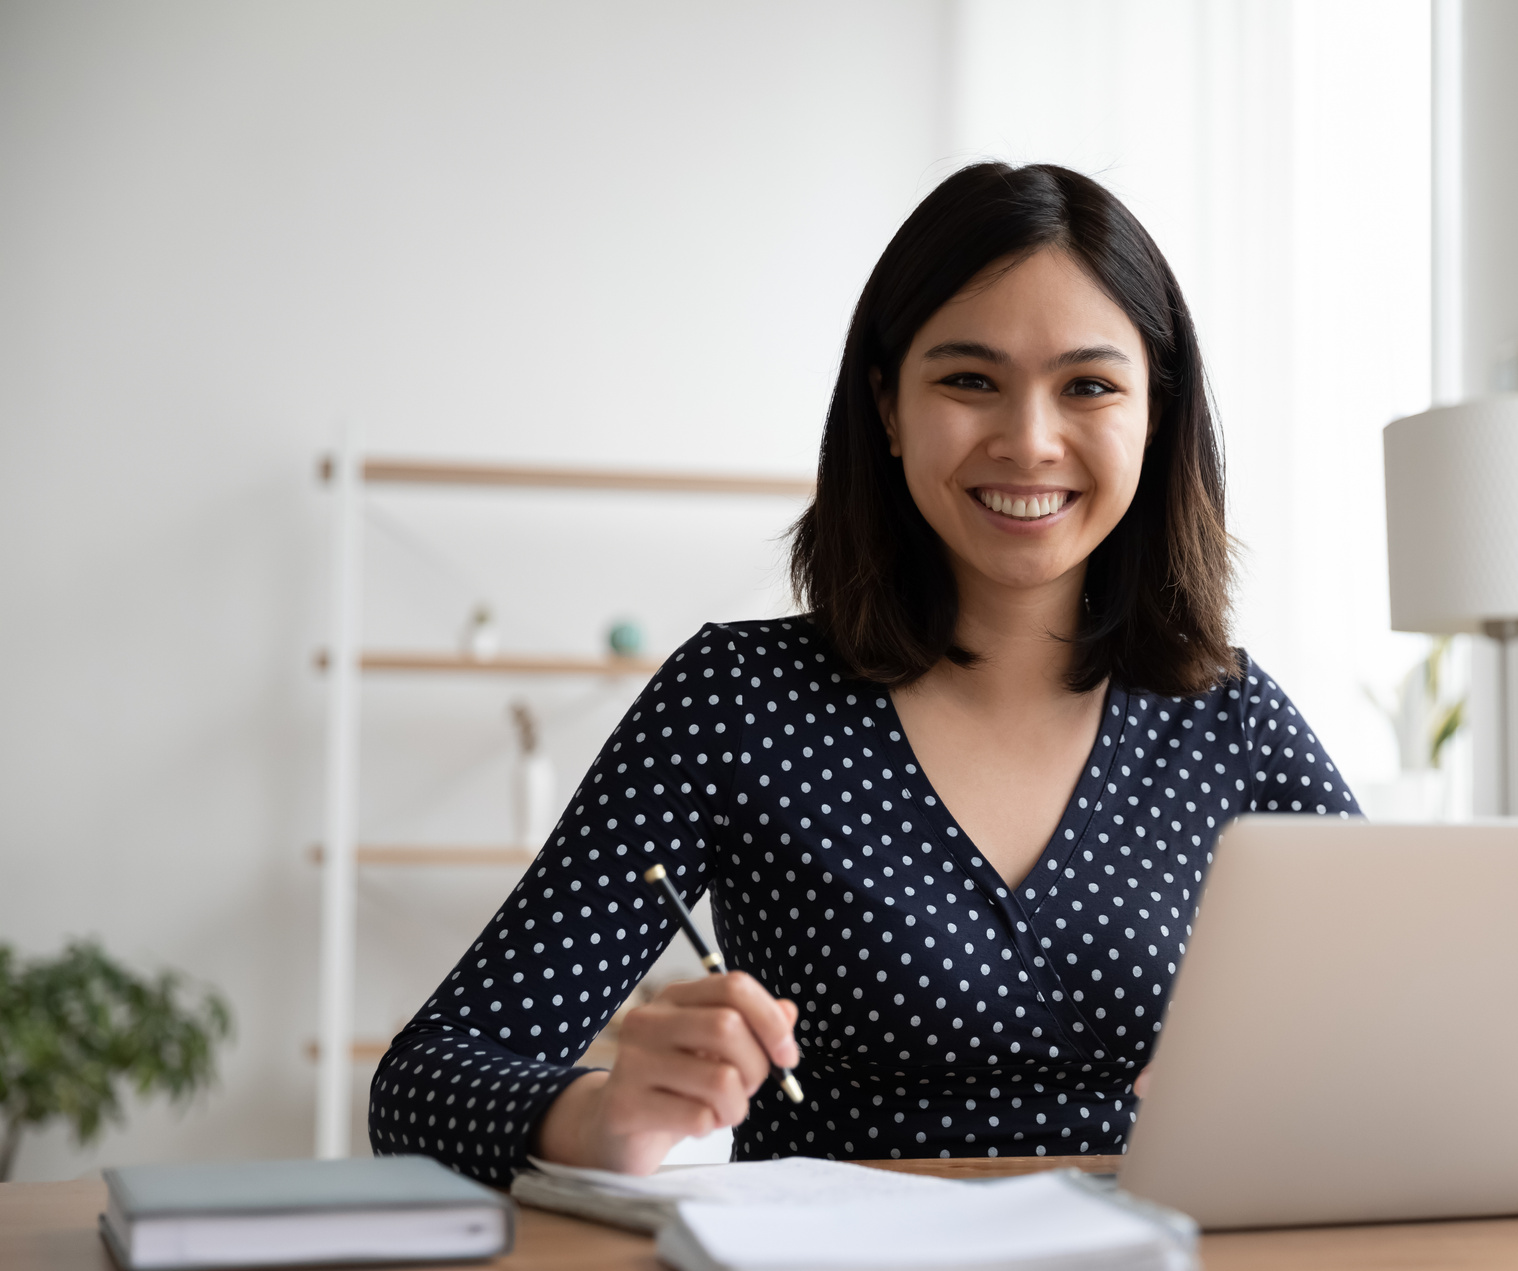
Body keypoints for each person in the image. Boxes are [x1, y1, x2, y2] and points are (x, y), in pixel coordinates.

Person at [368, 162, 1358, 1187]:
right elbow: (421, 1084)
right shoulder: (735, 700)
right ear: (887, 407)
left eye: (1090, 386)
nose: (1028, 440)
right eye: (969, 380)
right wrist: (601, 1114)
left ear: (1154, 415)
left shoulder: (1230, 721)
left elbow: (1421, 1041)